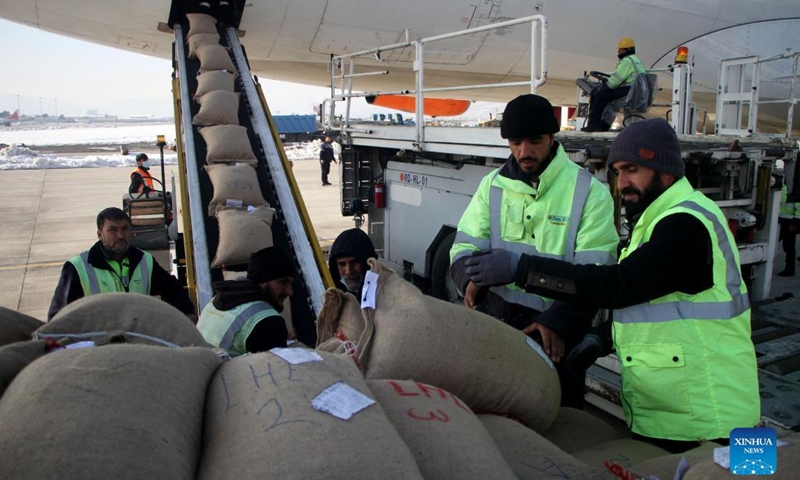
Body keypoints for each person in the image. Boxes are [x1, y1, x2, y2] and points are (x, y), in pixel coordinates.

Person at [464, 118, 759, 453]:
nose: (623, 183)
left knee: (749, 474)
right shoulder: (660, 219)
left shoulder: (685, 224)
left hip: (709, 419)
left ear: (665, 171)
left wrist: (522, 269)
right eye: (618, 171)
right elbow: (657, 303)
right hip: (685, 410)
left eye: (632, 170)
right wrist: (599, 339)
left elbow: (620, 284)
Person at [450, 93, 620, 408]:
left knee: (556, 432)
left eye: (534, 141)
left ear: (553, 137)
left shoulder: (590, 194)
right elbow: (464, 244)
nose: (524, 152)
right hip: (497, 330)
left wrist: (557, 322)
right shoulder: (492, 186)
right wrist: (466, 277)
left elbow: (596, 277)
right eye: (515, 142)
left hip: (555, 341)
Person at [48, 207, 197, 322]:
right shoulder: (78, 267)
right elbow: (58, 316)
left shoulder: (144, 260)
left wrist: (187, 313)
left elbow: (172, 288)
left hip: (137, 342)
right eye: (113, 230)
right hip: (98, 347)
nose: (120, 236)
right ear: (100, 235)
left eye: (125, 229)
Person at [197, 246, 294, 356]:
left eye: (291, 284)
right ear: (262, 280)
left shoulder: (218, 299)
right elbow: (278, 370)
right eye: (283, 282)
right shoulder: (268, 321)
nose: (290, 292)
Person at [581, 37, 646, 132]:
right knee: (609, 100)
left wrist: (605, 87)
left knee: (599, 95)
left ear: (625, 50)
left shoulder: (627, 61)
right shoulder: (635, 60)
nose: (618, 51)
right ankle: (603, 126)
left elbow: (615, 81)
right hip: (635, 91)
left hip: (629, 91)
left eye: (620, 49)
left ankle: (594, 125)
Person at [328, 228, 378, 299]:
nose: (349, 271)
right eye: (342, 264)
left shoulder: (386, 292)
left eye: (354, 263)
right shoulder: (329, 294)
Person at [778, 181, 800, 276]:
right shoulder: (782, 185)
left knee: (789, 247)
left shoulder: (794, 189)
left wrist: (795, 223)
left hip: (789, 221)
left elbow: (799, 208)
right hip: (780, 220)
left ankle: (790, 269)